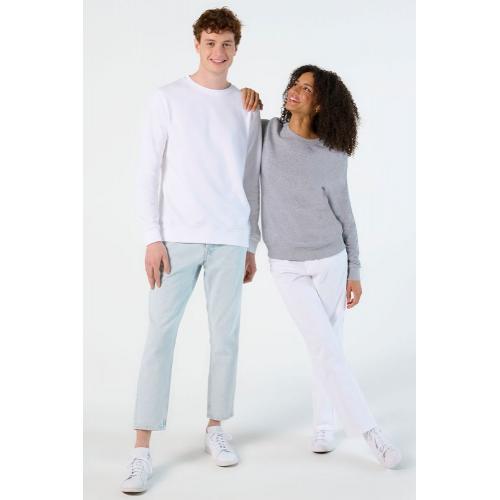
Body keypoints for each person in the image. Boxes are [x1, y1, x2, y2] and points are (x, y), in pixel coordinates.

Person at [121, 8, 262, 493]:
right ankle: (141, 448)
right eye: (210, 43)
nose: (218, 52)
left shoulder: (247, 106)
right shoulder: (166, 98)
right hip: (175, 238)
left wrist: (250, 242)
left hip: (229, 237)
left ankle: (216, 428)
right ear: (197, 44)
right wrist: (151, 237)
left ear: (236, 48)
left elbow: (251, 178)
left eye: (227, 44)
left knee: (226, 339)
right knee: (159, 337)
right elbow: (148, 171)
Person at [260, 65, 402, 469]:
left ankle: (324, 425)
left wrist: (354, 269)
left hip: (330, 260)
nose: (295, 90)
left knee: (327, 346)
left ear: (321, 103)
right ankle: (371, 433)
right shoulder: (265, 135)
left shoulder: (332, 154)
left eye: (307, 88)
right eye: (295, 83)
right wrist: (245, 98)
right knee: (324, 344)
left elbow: (345, 214)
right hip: (286, 263)